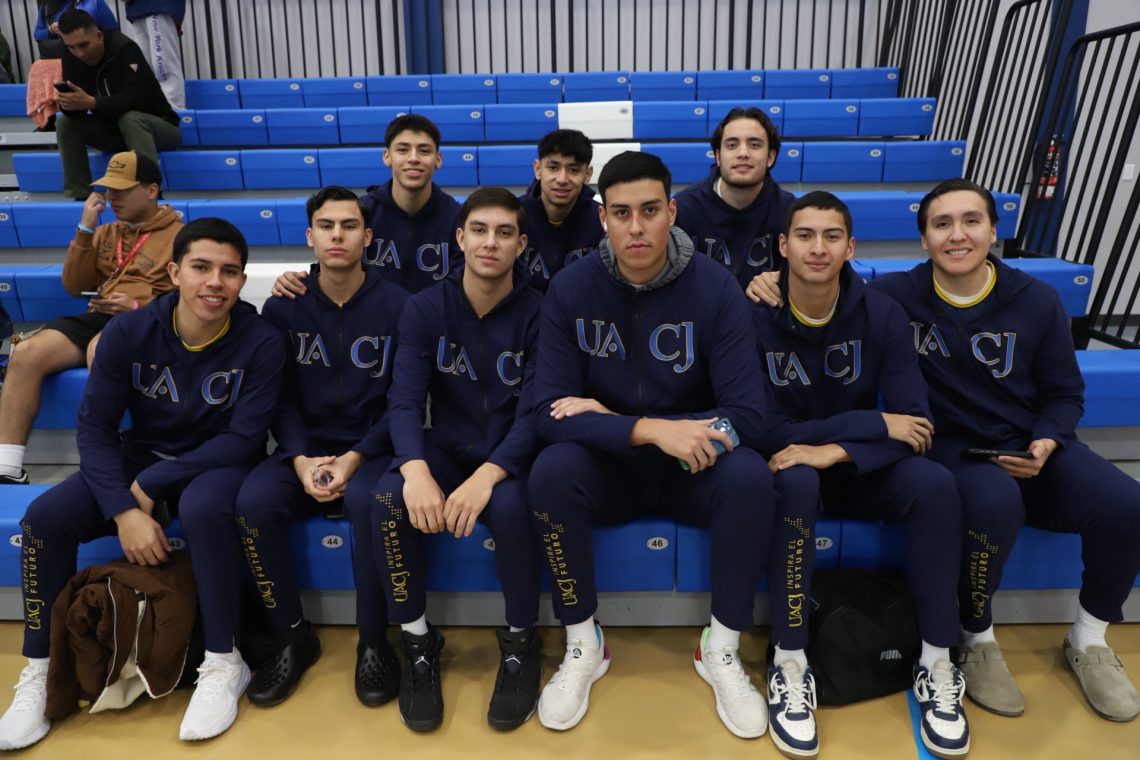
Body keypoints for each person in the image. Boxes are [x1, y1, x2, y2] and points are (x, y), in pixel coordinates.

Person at [0, 218, 286, 749]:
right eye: (201, 267)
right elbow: (95, 428)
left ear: (242, 281)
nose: (215, 282)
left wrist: (150, 484)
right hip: (140, 456)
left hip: (216, 463)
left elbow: (244, 440)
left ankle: (224, 661)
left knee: (204, 509)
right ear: (175, 273)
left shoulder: (261, 340)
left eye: (229, 271)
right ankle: (43, 669)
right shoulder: (129, 332)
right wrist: (125, 510)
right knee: (43, 519)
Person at [869, 179, 1140, 724]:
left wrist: (1047, 439)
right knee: (994, 501)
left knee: (1126, 504)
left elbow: (1065, 393)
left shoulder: (1036, 299)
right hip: (951, 448)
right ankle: (978, 636)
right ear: (923, 239)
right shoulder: (895, 295)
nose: (957, 235)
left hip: (1030, 442)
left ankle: (1089, 639)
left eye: (971, 221)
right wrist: (770, 282)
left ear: (994, 231)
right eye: (941, 224)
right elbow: (824, 293)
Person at [526, 151, 776, 738]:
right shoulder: (570, 288)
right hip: (611, 467)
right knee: (552, 471)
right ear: (602, 218)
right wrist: (647, 428)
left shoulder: (715, 287)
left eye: (649, 211)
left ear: (672, 212)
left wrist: (653, 426)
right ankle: (584, 642)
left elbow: (748, 415)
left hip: (693, 467)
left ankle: (721, 646)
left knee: (749, 476)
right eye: (621, 213)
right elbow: (547, 413)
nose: (636, 227)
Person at [753, 191, 969, 759]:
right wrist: (869, 423)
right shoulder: (754, 313)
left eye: (832, 237)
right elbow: (761, 426)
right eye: (805, 235)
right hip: (794, 463)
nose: (818, 248)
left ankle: (937, 661)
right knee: (795, 480)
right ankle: (790, 661)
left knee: (935, 486)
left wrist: (834, 449)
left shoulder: (883, 313)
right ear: (783, 246)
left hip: (858, 464)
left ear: (851, 247)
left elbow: (914, 423)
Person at [373, 187, 544, 732]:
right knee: (388, 499)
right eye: (480, 230)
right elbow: (404, 401)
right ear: (460, 238)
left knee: (514, 509)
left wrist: (488, 476)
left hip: (512, 455)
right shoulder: (425, 307)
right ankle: (418, 643)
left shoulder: (541, 311)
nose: (490, 242)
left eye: (504, 232)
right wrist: (414, 468)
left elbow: (537, 411)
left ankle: (521, 643)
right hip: (445, 448)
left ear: (521, 245)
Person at [233, 186, 409, 710]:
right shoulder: (282, 307)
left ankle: (373, 639)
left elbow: (404, 401)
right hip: (302, 448)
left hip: (373, 449)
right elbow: (279, 398)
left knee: (370, 504)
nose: (338, 235)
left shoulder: (400, 306)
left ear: (368, 237)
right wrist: (301, 458)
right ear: (310, 236)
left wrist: (356, 456)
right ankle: (292, 636)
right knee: (253, 504)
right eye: (327, 226)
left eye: (349, 226)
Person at [0, 151, 181, 485]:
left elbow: (187, 298)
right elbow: (74, 285)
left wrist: (138, 306)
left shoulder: (181, 235)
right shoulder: (105, 231)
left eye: (123, 189)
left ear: (152, 190)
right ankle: (7, 466)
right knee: (25, 352)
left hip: (149, 318)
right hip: (99, 314)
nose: (113, 197)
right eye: (109, 189)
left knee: (102, 349)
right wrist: (85, 229)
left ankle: (109, 461)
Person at [272, 115, 460, 298]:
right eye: (402, 150)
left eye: (424, 151)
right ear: (387, 156)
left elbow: (462, 286)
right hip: (372, 318)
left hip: (433, 318)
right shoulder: (359, 213)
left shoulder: (458, 218)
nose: (413, 158)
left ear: (438, 159)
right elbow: (334, 266)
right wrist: (296, 280)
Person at [54, 9, 181, 200]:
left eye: (84, 45)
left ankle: (150, 195)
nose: (79, 53)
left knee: (131, 119)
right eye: (71, 47)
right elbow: (76, 112)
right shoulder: (71, 55)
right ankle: (80, 197)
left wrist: (93, 102)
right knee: (65, 123)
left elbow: (135, 99)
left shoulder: (125, 49)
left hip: (159, 128)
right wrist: (68, 104)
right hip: (115, 132)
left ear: (99, 36)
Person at [674, 107, 793, 291]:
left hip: (762, 308)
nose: (743, 153)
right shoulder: (684, 209)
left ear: (771, 157)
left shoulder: (790, 212)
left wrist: (783, 279)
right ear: (718, 157)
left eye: (754, 145)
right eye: (732, 145)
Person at [518, 129, 604, 289]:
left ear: (587, 174)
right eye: (553, 168)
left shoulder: (602, 220)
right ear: (538, 169)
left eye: (573, 170)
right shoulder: (514, 215)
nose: (562, 179)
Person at [122, 0, 186, 110]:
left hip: (157, 5)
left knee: (163, 67)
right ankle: (155, 111)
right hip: (137, 9)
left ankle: (174, 111)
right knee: (145, 68)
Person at [34, 0, 119, 59]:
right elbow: (37, 35)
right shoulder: (47, 6)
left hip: (91, 56)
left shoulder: (93, 2)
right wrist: (50, 30)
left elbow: (113, 32)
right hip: (59, 56)